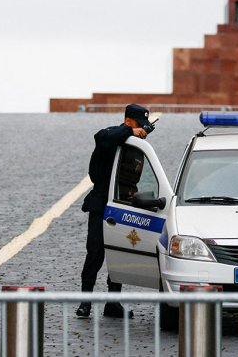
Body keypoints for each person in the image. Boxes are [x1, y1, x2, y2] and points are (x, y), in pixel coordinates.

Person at [76, 104, 152, 319]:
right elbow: (101, 136)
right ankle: (85, 302)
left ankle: (113, 302)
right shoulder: (112, 138)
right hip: (102, 205)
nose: (143, 131)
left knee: (119, 256)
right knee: (95, 253)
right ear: (129, 122)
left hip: (124, 205)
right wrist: (130, 132)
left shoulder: (136, 147)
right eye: (140, 126)